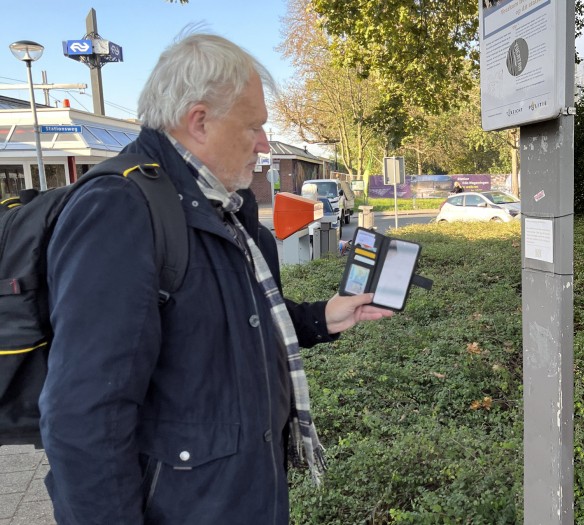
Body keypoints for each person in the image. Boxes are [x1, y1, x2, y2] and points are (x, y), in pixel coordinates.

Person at [39, 32, 393, 525]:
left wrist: (322, 319)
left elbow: (235, 320)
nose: (265, 144)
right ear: (199, 121)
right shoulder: (120, 210)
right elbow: (84, 418)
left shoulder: (223, 207)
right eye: (255, 126)